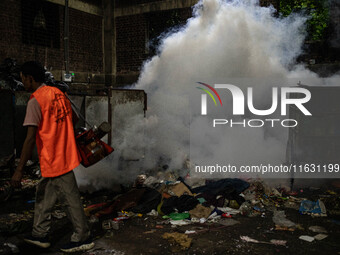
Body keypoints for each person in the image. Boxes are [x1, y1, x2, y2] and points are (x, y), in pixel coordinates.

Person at [10, 61, 94, 253]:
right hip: (63, 154)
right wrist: (62, 133)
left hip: (54, 157)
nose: (22, 82)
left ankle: (83, 237)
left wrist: (19, 170)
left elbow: (30, 139)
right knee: (44, 193)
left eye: (23, 78)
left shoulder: (35, 100)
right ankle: (40, 233)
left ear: (30, 79)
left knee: (69, 198)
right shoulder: (58, 93)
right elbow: (73, 119)